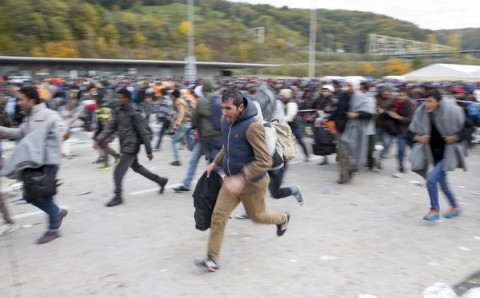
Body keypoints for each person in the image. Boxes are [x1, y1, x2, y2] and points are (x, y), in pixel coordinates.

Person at [195, 88, 290, 272]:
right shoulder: (226, 121)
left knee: (258, 217)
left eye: (228, 108)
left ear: (240, 107)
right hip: (231, 182)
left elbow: (264, 160)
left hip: (253, 184)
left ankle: (282, 218)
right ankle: (212, 259)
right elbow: (227, 146)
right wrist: (215, 163)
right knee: (218, 216)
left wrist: (241, 177)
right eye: (222, 107)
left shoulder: (253, 127)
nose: (224, 112)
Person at [0, 86, 68, 244]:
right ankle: (57, 214)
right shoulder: (28, 117)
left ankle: (53, 229)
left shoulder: (49, 115)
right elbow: (18, 133)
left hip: (48, 162)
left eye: (21, 99)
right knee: (29, 196)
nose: (18, 103)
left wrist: (49, 143)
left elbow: (62, 131)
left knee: (46, 196)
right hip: (33, 162)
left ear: (32, 101)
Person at [94, 88, 168, 207]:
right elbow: (110, 127)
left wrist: (149, 150)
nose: (118, 100)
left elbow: (143, 132)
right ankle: (161, 181)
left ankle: (118, 196)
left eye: (120, 98)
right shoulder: (119, 111)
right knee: (137, 167)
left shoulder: (134, 113)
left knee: (118, 172)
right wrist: (98, 139)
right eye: (118, 97)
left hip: (131, 146)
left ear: (127, 99)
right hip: (125, 145)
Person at [408, 89, 468, 222]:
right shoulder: (421, 113)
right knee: (443, 184)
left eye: (430, 101)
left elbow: (469, 128)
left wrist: (456, 137)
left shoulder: (453, 111)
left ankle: (434, 210)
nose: (426, 104)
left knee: (431, 179)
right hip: (434, 154)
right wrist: (418, 138)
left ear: (438, 101)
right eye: (425, 101)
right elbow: (409, 133)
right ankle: (455, 206)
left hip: (448, 153)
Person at [174, 80, 222, 192]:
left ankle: (212, 187)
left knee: (197, 161)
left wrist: (194, 125)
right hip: (216, 136)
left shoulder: (201, 102)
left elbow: (194, 120)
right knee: (213, 163)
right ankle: (188, 184)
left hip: (204, 137)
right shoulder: (219, 100)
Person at [281, 88, 310, 161]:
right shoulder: (284, 103)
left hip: (294, 125)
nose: (282, 97)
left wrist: (281, 119)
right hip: (287, 125)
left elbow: (291, 116)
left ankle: (307, 155)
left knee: (300, 140)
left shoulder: (292, 103)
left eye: (283, 95)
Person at [170, 89, 190, 166]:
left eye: (172, 96)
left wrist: (177, 124)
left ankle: (177, 160)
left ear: (174, 96)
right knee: (190, 143)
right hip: (186, 123)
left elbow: (181, 113)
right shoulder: (182, 100)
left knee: (174, 142)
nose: (172, 98)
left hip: (182, 124)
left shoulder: (178, 102)